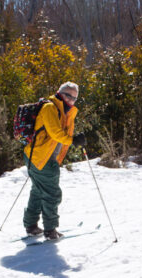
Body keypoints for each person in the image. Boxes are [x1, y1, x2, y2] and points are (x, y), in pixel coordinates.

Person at [22, 81, 87, 240]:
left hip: (37, 156)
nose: (71, 100)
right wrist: (73, 140)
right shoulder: (50, 108)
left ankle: (30, 225)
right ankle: (50, 230)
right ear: (60, 93)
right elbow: (55, 133)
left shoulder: (64, 111)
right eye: (68, 95)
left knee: (38, 191)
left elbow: (60, 133)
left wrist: (73, 139)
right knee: (52, 194)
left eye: (74, 98)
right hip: (43, 158)